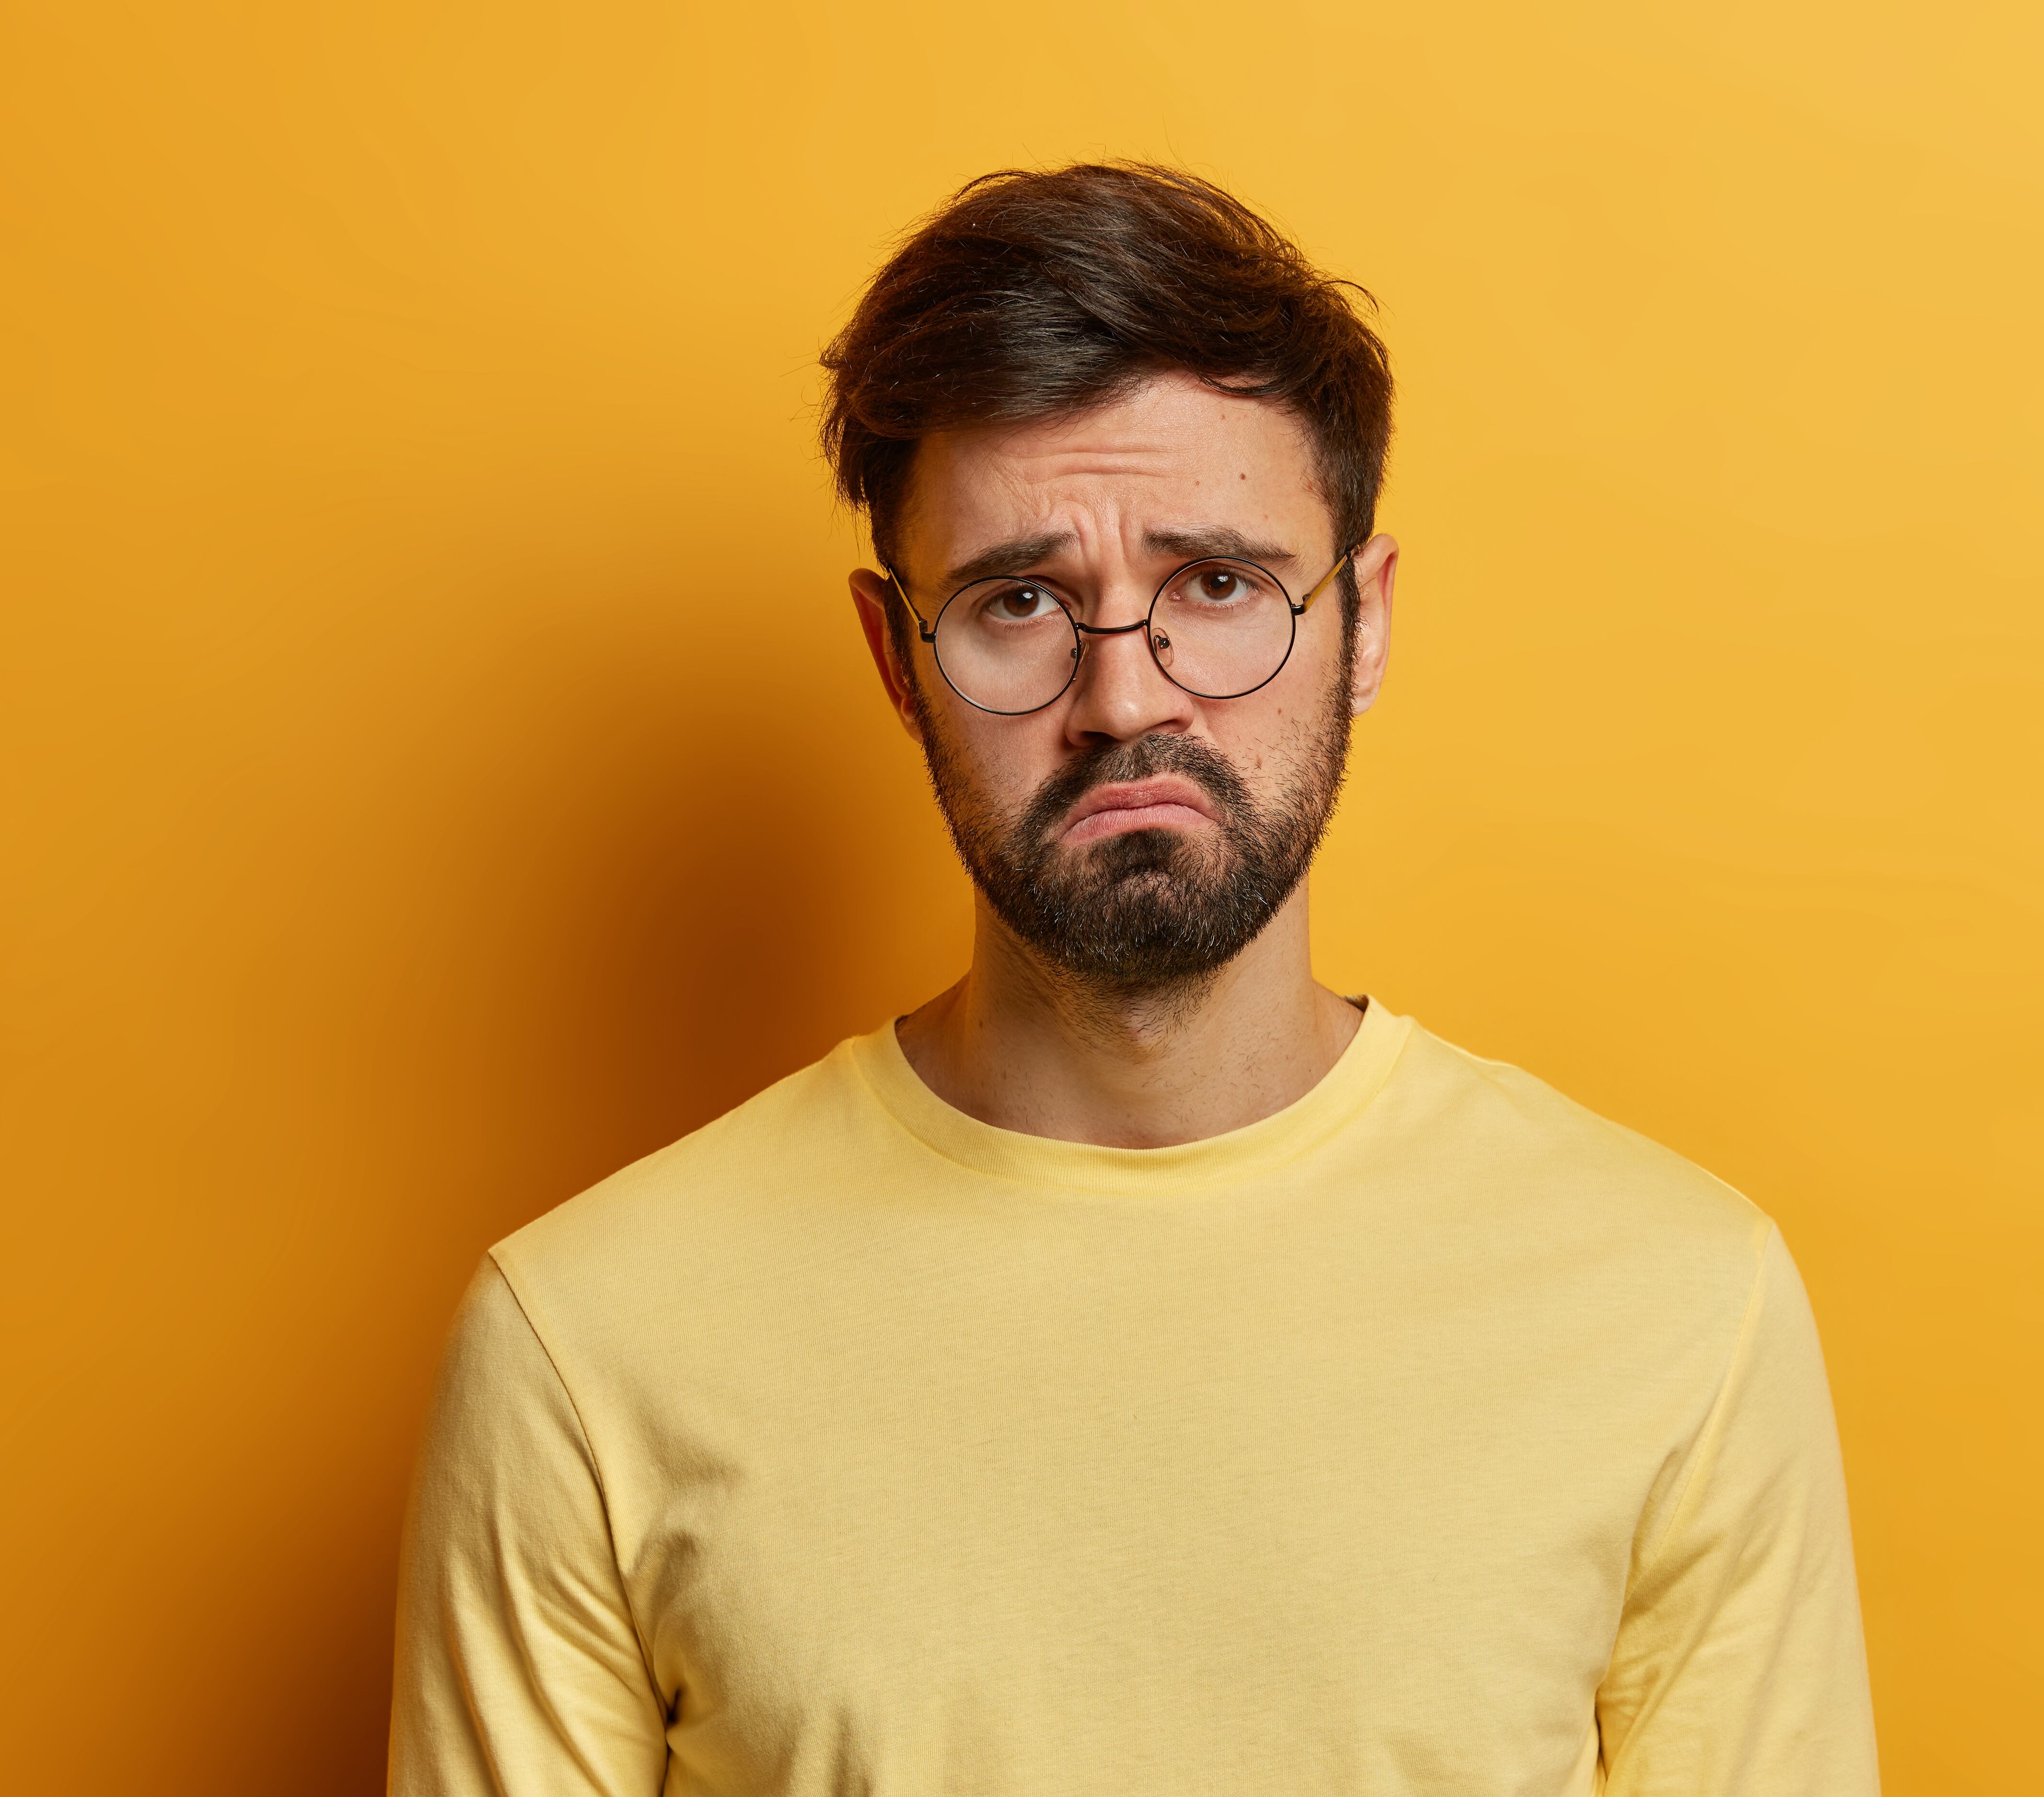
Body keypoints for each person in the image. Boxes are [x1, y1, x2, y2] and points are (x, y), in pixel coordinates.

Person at [388, 162, 1878, 1797]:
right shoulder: (589, 1347)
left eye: (1218, 584)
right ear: (898, 661)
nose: (1124, 700)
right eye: (1020, 600)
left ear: (1364, 622)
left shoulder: (1678, 1309)